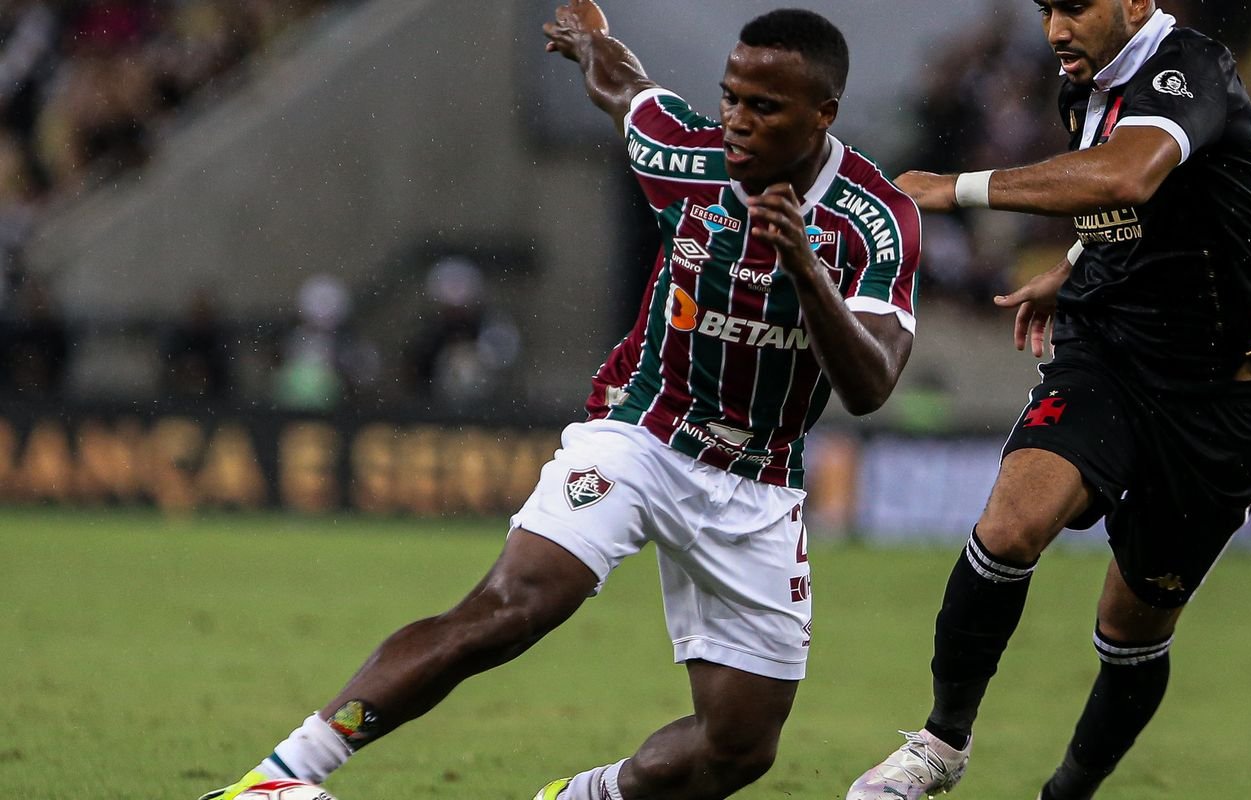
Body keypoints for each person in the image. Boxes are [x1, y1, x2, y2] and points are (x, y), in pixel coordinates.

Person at [200, 2, 921, 800]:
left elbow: (871, 383)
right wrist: (590, 41)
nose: (737, 122)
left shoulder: (874, 220)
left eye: (765, 107)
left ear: (824, 114)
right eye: (730, 98)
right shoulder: (691, 155)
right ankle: (283, 777)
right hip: (642, 432)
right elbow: (627, 91)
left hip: (757, 482)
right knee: (514, 606)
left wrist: (805, 271)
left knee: (739, 749)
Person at [848, 1, 1251, 798]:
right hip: (1109, 354)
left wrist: (953, 188)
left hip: (1218, 399)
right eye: (1047, 8)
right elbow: (1130, 201)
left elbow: (1130, 173)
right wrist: (1074, 263)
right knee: (1010, 526)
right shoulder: (1086, 81)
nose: (1057, 28)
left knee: (1131, 630)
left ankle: (1066, 794)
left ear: (1136, 2)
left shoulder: (1192, 68)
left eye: (1076, 6)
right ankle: (939, 745)